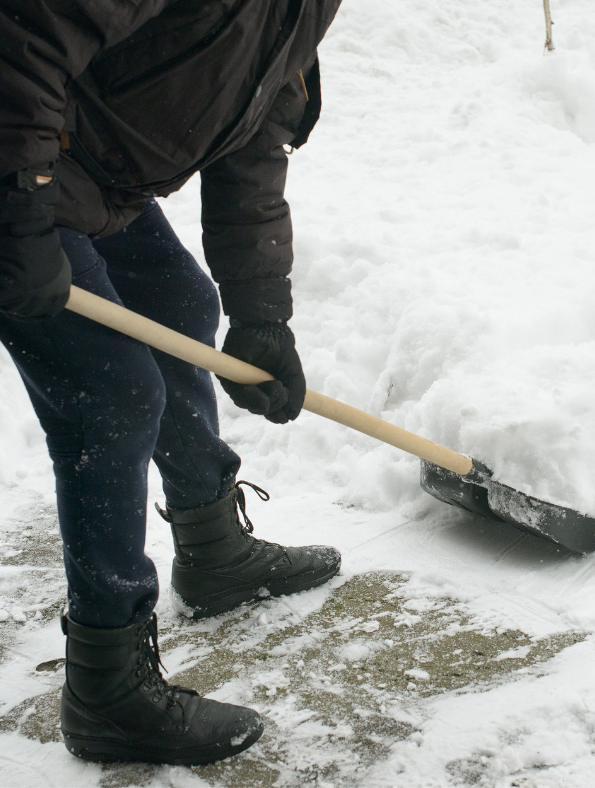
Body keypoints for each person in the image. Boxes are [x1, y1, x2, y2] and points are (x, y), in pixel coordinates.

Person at [0, 0, 344, 766]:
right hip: (21, 163)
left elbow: (255, 132)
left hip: (85, 171)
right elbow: (25, 34)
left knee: (182, 304)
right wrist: (17, 208)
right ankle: (106, 690)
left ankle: (213, 549)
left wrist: (262, 317)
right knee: (112, 392)